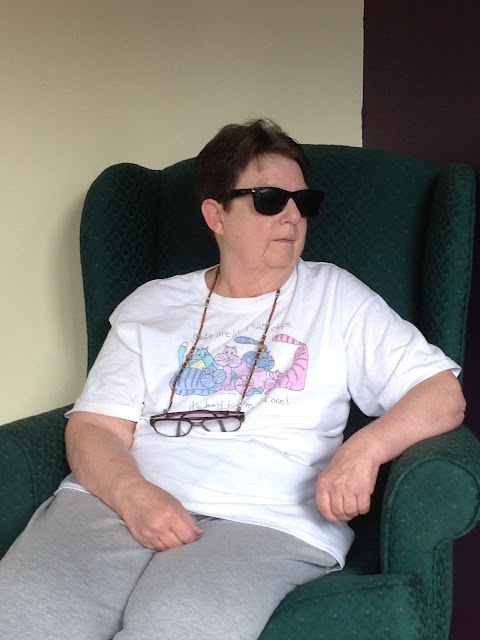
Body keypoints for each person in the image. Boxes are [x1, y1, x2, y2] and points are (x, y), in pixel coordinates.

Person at [0, 119, 465, 640]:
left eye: (303, 201)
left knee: (177, 626)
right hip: (114, 501)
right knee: (25, 616)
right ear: (215, 215)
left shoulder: (336, 297)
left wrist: (364, 450)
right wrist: (135, 496)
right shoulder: (152, 304)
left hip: (265, 518)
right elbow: (94, 428)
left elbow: (441, 394)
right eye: (270, 200)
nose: (292, 215)